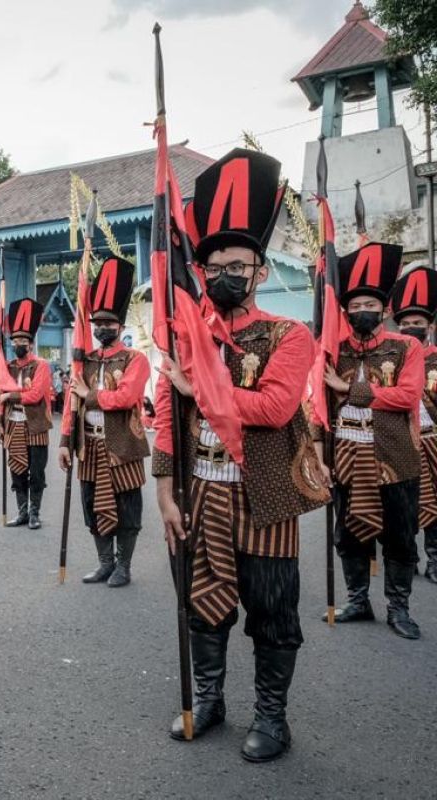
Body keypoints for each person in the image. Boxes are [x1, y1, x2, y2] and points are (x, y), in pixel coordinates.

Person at [156, 149, 328, 762]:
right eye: (216, 265)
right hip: (199, 489)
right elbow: (165, 419)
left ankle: (272, 717)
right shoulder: (185, 338)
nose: (227, 273)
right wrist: (165, 494)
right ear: (200, 272)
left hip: (267, 499)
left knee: (273, 609)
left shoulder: (289, 335)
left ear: (258, 272)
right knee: (201, 603)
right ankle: (208, 699)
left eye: (240, 264)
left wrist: (199, 387)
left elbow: (276, 408)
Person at [323, 242, 423, 638]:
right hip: (347, 458)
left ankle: (398, 608)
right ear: (345, 311)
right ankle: (358, 599)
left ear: (383, 309)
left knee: (399, 536)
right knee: (348, 535)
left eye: (370, 303)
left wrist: (351, 391)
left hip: (396, 458)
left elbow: (407, 396)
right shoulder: (335, 350)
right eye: (355, 304)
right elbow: (319, 404)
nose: (362, 310)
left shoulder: (406, 347)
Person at [59, 256, 150, 587]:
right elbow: (72, 404)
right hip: (89, 446)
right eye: (96, 322)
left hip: (122, 446)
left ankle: (124, 565)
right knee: (91, 507)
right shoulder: (84, 360)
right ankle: (105, 563)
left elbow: (125, 399)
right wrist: (64, 442)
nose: (101, 328)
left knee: (127, 509)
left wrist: (88, 394)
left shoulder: (134, 359)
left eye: (109, 323)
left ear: (120, 328)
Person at [394, 267, 437, 586]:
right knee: (405, 504)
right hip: (401, 441)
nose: (411, 329)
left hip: (433, 438)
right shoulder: (390, 359)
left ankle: (435, 559)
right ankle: (405, 561)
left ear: (430, 326)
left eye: (417, 324)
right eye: (406, 324)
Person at [0, 298, 53, 530]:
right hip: (12, 424)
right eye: (15, 340)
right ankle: (21, 512)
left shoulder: (41, 366)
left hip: (36, 425)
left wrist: (11, 395)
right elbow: (0, 393)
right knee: (17, 470)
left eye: (23, 340)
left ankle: (34, 513)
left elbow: (35, 396)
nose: (18, 343)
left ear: (30, 344)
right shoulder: (7, 366)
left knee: (36, 472)